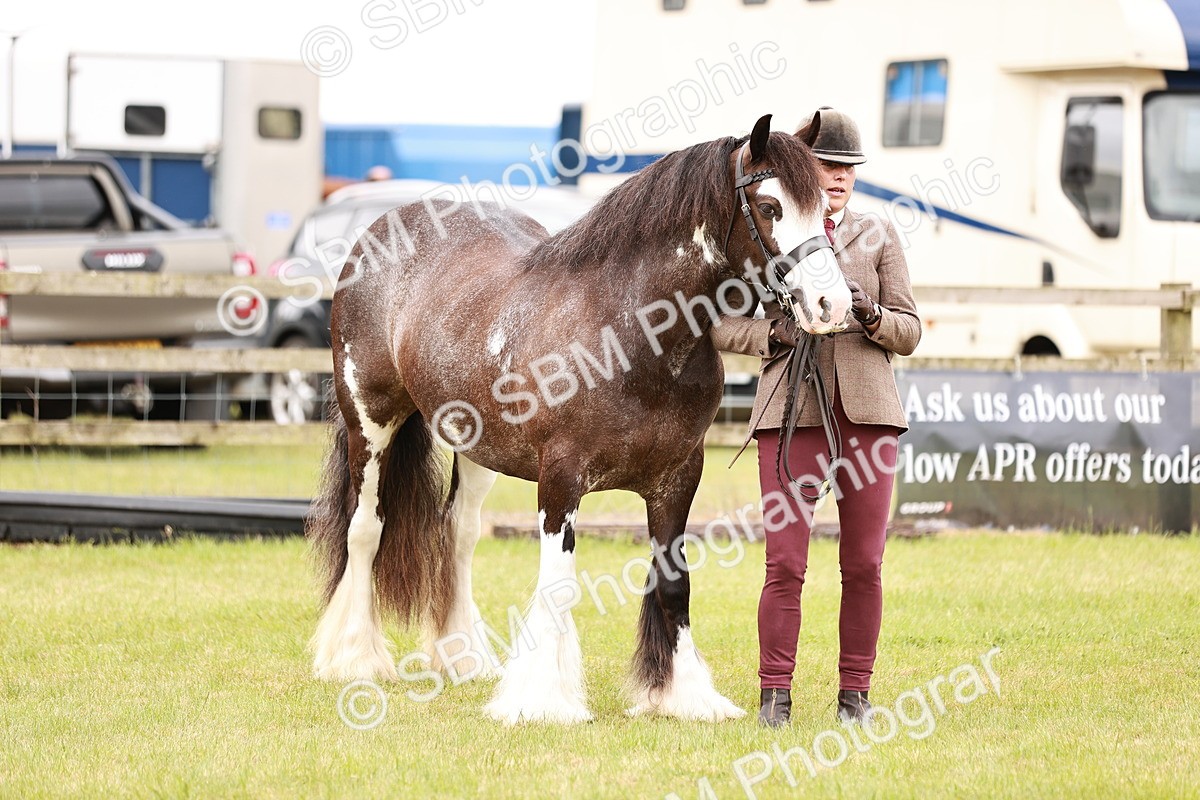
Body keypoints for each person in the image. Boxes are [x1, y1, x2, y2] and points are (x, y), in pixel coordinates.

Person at [710, 107, 921, 727]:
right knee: (785, 563)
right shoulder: (770, 227)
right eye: (828, 165)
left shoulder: (878, 234)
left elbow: (910, 330)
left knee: (864, 564)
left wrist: (871, 314)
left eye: (849, 168)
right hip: (791, 410)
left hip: (868, 414)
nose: (840, 176)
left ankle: (855, 695)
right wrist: (770, 335)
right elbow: (719, 321)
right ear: (804, 168)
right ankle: (774, 695)